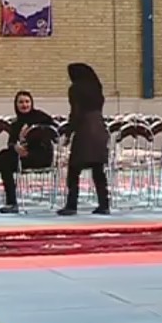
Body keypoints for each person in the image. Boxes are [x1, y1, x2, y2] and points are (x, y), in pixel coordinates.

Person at [58, 64, 110, 216]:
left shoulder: (75, 89)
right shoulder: (97, 87)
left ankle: (71, 205)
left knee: (74, 170)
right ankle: (104, 204)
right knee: (98, 170)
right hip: (99, 128)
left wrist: (68, 132)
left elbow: (76, 113)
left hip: (84, 130)